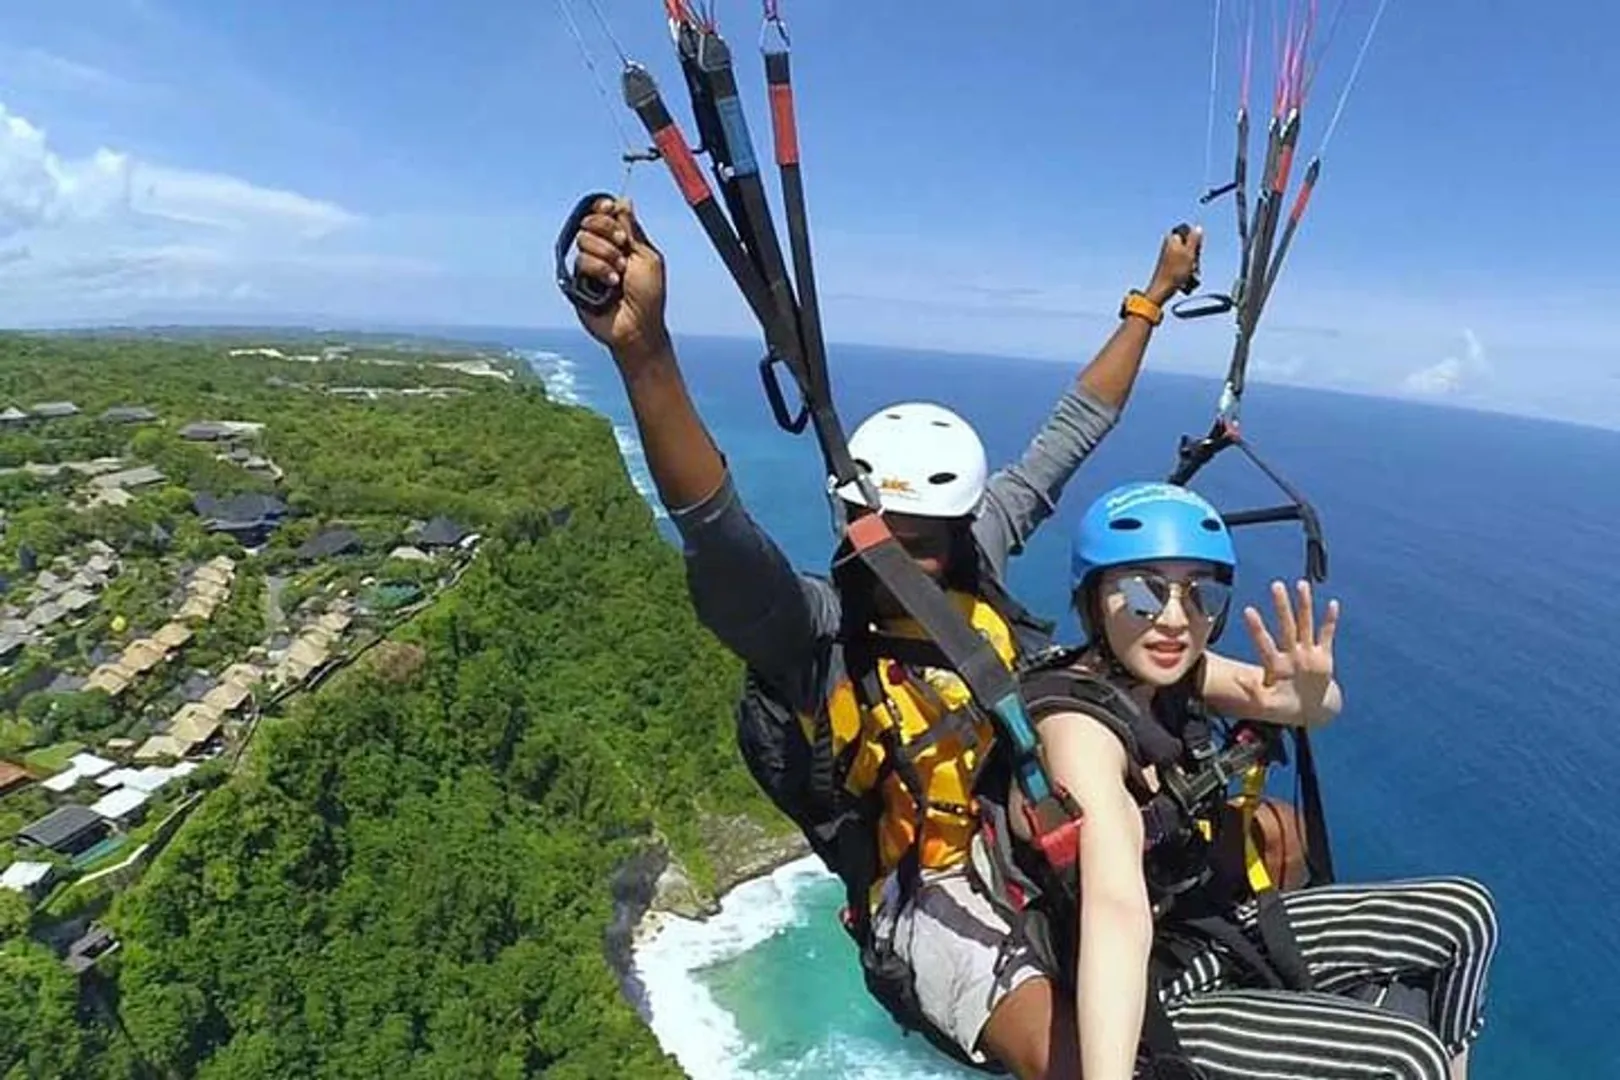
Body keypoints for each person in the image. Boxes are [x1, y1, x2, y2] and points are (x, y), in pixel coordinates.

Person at [564, 197, 1203, 1068]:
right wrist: (645, 356)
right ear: (856, 530)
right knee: (1076, 1059)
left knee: (1255, 837)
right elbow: (718, 533)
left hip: (1002, 833)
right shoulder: (817, 634)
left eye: (933, 540)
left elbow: (1074, 429)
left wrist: (1151, 302)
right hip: (922, 896)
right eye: (895, 540)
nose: (918, 562)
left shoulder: (976, 556)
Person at [952, 481, 1500, 1080]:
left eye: (1199, 596)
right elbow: (1115, 905)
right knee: (1406, 1057)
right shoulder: (1078, 731)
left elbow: (1307, 703)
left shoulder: (1172, 674)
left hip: (1206, 929)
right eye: (1142, 591)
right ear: (1091, 600)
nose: (1173, 619)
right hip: (1150, 993)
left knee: (1467, 914)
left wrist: (1312, 697)